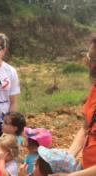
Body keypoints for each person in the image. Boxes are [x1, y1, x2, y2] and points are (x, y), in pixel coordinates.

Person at [49, 38, 96, 176]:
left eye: (93, 59)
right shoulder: (94, 90)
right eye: (89, 57)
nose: (87, 63)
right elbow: (86, 127)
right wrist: (68, 157)